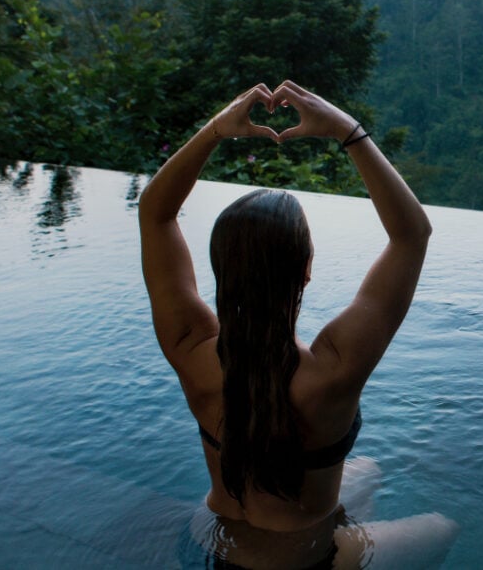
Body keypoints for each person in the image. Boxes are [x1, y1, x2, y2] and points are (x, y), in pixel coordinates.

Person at [139, 81, 457, 568]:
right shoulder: (334, 368)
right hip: (304, 562)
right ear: (306, 269)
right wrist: (348, 132)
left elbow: (155, 214)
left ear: (221, 270)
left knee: (365, 470)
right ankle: (342, 536)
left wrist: (216, 130)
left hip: (207, 541)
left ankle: (338, 521)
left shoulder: (190, 346)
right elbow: (412, 235)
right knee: (442, 527)